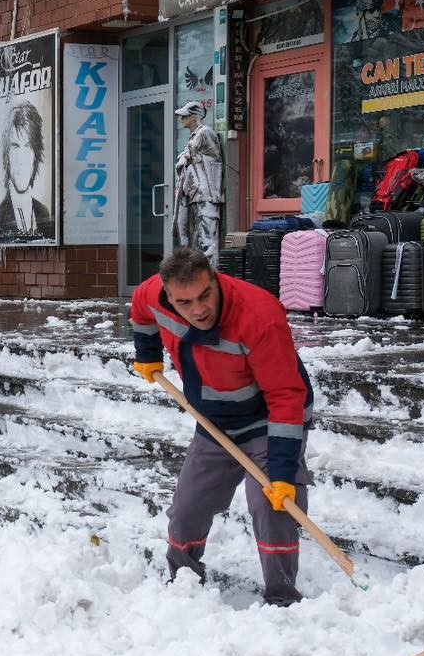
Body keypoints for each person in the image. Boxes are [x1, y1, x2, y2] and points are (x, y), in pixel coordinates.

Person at [130, 247, 314, 607]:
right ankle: (182, 582)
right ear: (168, 295)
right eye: (184, 302)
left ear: (214, 280)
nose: (198, 310)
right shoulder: (152, 294)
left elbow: (285, 397)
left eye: (205, 295)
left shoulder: (258, 316)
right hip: (213, 421)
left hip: (268, 418)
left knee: (272, 504)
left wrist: (280, 473)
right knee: (187, 507)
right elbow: (140, 311)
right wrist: (147, 354)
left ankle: (283, 599)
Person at [0, 100, 53, 242]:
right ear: (6, 157)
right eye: (15, 147)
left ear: (36, 155)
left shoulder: (43, 213)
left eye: (28, 146)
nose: (21, 159)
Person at [173, 101, 224, 267]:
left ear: (195, 116)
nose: (181, 119)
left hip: (206, 194)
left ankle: (210, 278)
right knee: (197, 241)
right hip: (195, 195)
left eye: (185, 115)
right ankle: (198, 277)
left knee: (207, 239)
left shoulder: (204, 133)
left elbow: (187, 158)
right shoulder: (195, 135)